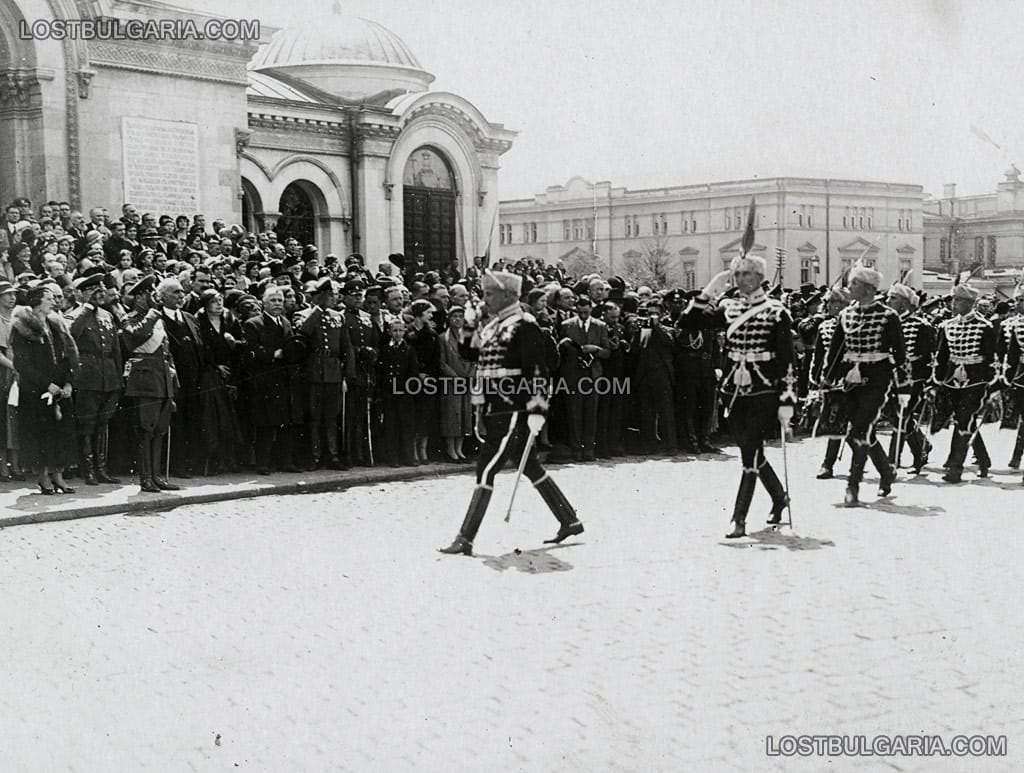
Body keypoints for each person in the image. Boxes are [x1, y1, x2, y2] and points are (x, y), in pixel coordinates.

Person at [439, 270, 584, 556]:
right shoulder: (494, 325)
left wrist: (537, 410)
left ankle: (465, 538)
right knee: (529, 466)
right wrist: (469, 323)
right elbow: (470, 354)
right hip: (495, 405)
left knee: (487, 467)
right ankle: (570, 519)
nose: (485, 298)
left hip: (513, 406)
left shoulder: (524, 325)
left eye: (490, 294)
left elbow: (537, 371)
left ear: (508, 295)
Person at [677, 251, 796, 538]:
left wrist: (788, 403)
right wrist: (709, 290)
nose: (741, 279)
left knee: (749, 454)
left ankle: (739, 518)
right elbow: (687, 323)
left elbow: (787, 361)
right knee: (749, 448)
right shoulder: (728, 308)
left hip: (763, 387)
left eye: (746, 274)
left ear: (759, 277)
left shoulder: (776, 311)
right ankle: (779, 496)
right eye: (737, 274)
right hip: (734, 389)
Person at [821, 265, 907, 505]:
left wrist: (895, 380)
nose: (849, 287)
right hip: (849, 380)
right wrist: (828, 377)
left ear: (869, 289)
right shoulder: (845, 315)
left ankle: (853, 485)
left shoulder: (889, 316)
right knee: (856, 433)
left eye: (854, 283)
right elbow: (836, 351)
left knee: (860, 429)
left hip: (876, 380)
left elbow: (900, 354)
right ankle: (886, 471)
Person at [10, 284, 79, 494]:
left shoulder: (55, 324)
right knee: (39, 434)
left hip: (59, 390)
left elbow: (67, 356)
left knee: (60, 433)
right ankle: (42, 477)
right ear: (37, 302)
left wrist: (67, 382)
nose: (53, 302)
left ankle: (58, 475)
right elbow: (22, 364)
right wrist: (46, 384)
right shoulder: (23, 326)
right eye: (49, 299)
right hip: (35, 390)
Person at [932, 282, 998, 483]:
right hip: (952, 381)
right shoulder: (947, 326)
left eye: (958, 300)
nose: (953, 304)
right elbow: (942, 356)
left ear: (970, 303)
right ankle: (984, 459)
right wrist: (937, 380)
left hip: (974, 381)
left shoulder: (984, 327)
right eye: (953, 299)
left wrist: (989, 384)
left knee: (963, 419)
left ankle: (955, 467)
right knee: (963, 421)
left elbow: (990, 358)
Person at [120, 275, 180, 493]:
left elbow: (167, 352)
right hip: (145, 380)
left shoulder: (158, 319)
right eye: (148, 294)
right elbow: (136, 337)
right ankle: (145, 478)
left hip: (162, 379)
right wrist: (153, 314)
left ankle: (157, 476)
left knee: (160, 430)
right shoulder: (129, 319)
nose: (152, 297)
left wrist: (173, 382)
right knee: (146, 430)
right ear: (139, 297)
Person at [68, 273, 123, 485]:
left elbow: (116, 350)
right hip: (87, 376)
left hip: (108, 376)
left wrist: (118, 378)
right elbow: (71, 337)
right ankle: (88, 469)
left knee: (103, 424)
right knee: (87, 424)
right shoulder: (76, 315)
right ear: (82, 294)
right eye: (93, 290)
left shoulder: (107, 316)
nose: (99, 294)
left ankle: (102, 469)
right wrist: (87, 309)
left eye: (101, 290)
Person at [243, 285, 303, 475]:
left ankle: (285, 461)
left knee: (285, 421)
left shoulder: (285, 322)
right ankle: (263, 463)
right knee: (266, 425)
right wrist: (272, 354)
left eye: (279, 300)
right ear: (264, 303)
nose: (277, 304)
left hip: (285, 379)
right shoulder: (254, 324)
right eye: (273, 300)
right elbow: (250, 351)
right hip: (265, 381)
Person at [296, 277, 350, 469]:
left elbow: (346, 347)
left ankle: (333, 455)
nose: (333, 298)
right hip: (314, 372)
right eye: (329, 295)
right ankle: (315, 455)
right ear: (319, 296)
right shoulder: (305, 315)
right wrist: (318, 309)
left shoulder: (339, 316)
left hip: (334, 372)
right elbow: (303, 331)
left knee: (331, 416)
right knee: (314, 417)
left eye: (334, 294)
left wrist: (346, 375)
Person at [885, 281, 935, 474]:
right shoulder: (888, 323)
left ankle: (891, 463)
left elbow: (929, 357)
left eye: (893, 298)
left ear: (905, 303)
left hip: (913, 380)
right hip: (892, 379)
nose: (888, 302)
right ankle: (921, 448)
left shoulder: (921, 325)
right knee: (900, 418)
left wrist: (927, 383)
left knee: (901, 418)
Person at [558, 295, 610, 461]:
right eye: (580, 312)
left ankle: (589, 450)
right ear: (576, 310)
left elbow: (607, 352)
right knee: (574, 414)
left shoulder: (600, 326)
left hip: (593, 375)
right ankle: (576, 450)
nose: (583, 316)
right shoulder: (566, 326)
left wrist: (595, 349)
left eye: (586, 312)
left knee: (591, 414)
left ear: (591, 310)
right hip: (573, 375)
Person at [810, 286, 850, 478]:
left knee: (857, 425)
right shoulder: (823, 327)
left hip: (853, 378)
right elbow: (818, 356)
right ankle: (828, 464)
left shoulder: (854, 324)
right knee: (835, 422)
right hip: (832, 379)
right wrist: (815, 379)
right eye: (831, 302)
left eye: (838, 303)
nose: (833, 306)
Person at [376, 317, 419, 467]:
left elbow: (413, 372)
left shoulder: (409, 349)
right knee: (391, 426)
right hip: (389, 393)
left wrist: (408, 389)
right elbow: (381, 372)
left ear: (405, 332)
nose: (398, 333)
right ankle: (393, 458)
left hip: (404, 393)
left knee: (406, 426)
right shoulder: (385, 349)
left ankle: (408, 457)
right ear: (389, 332)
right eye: (394, 330)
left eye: (401, 330)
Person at [437, 304, 474, 463]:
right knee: (452, 415)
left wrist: (470, 376)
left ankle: (460, 450)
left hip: (467, 381)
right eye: (454, 317)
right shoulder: (442, 338)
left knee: (465, 415)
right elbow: (442, 362)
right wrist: (455, 377)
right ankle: (450, 450)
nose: (457, 320)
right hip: (451, 382)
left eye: (460, 316)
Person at [406, 298, 440, 464]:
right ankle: (412, 449)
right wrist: (417, 373)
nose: (431, 315)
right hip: (411, 379)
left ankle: (423, 449)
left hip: (429, 380)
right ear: (419, 313)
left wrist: (428, 374)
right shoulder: (408, 332)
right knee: (413, 415)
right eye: (428, 312)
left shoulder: (432, 334)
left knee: (427, 415)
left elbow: (436, 358)